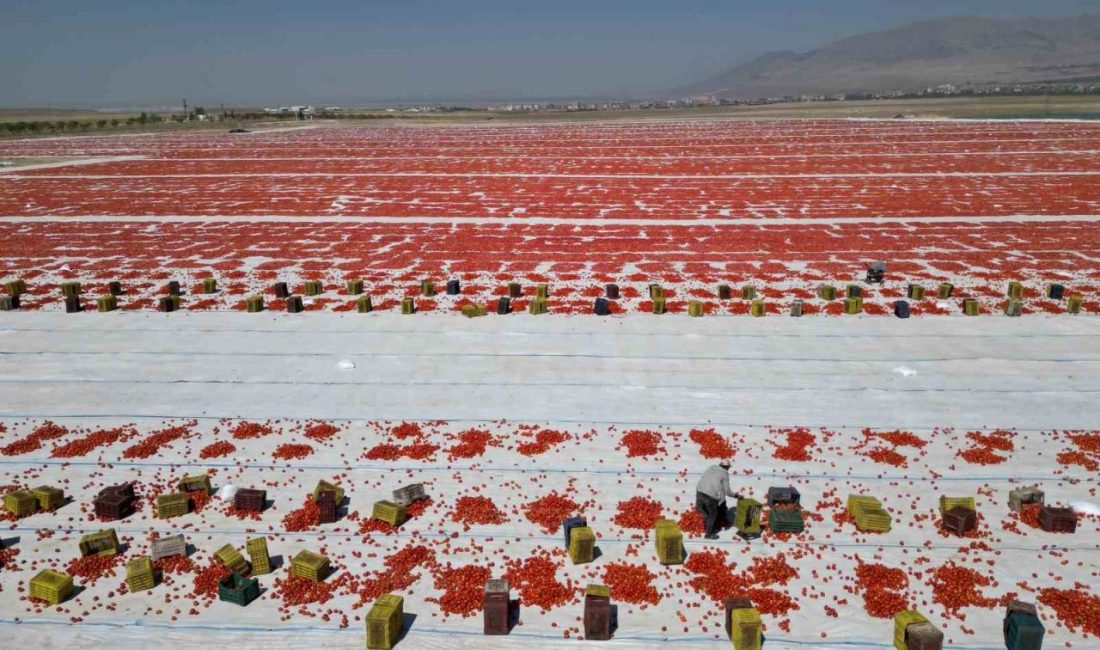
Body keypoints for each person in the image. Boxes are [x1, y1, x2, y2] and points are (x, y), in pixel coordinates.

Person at [695, 460, 741, 539]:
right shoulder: (724, 474)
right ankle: (709, 534)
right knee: (712, 515)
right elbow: (727, 491)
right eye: (728, 467)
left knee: (701, 508)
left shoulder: (710, 468)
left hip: (699, 492)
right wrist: (735, 495)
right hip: (709, 497)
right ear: (727, 467)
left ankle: (704, 515)